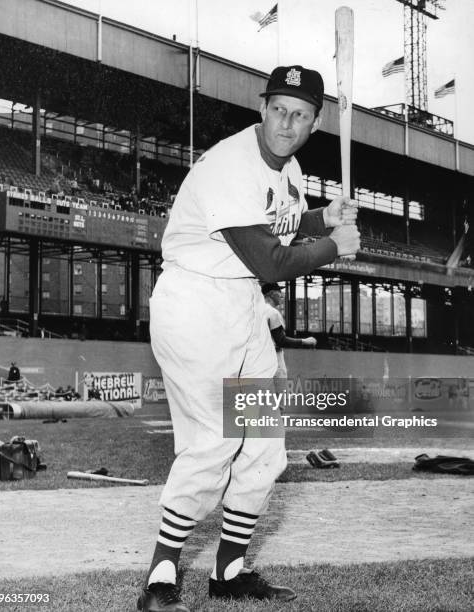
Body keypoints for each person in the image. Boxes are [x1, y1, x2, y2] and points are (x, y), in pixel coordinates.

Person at [141, 65, 360, 612]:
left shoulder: (292, 170)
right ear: (262, 109)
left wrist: (321, 218)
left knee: (263, 446)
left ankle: (230, 570)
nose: (287, 123)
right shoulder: (230, 163)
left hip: (242, 305)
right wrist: (337, 245)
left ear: (314, 123)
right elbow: (270, 259)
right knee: (214, 440)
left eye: (300, 114)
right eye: (279, 109)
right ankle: (161, 579)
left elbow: (279, 227)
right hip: (195, 304)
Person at [262, 282, 316, 381]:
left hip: (258, 360)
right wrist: (305, 341)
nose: (281, 295)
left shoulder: (255, 311)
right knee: (281, 396)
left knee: (261, 395)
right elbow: (281, 341)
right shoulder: (272, 312)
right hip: (273, 360)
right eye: (279, 291)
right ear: (272, 294)